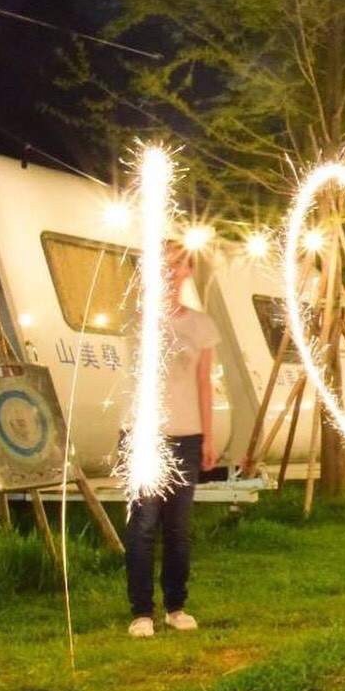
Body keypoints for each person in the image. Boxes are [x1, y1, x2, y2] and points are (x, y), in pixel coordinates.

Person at [124, 240, 220, 638]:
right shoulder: (137, 317)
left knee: (178, 528)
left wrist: (208, 436)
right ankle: (141, 612)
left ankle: (176, 606)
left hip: (187, 434)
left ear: (188, 271)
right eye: (162, 263)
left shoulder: (202, 325)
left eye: (178, 264)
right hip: (143, 435)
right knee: (144, 524)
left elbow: (204, 382)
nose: (170, 270)